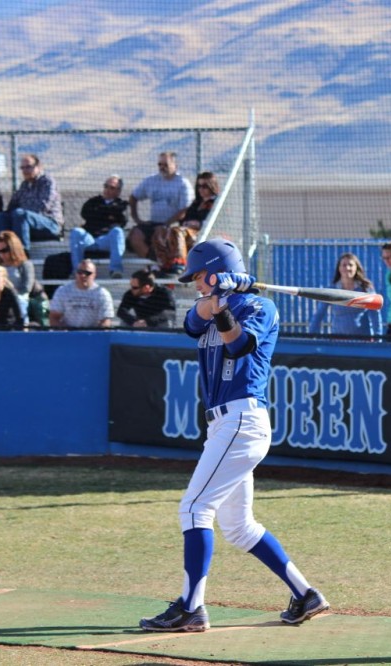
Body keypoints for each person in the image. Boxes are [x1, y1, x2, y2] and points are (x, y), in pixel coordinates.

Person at [139, 239, 329, 632]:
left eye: (199, 276)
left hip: (242, 419)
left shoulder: (261, 306)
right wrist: (218, 297)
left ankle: (191, 608)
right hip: (223, 425)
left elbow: (239, 345)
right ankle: (306, 594)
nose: (195, 283)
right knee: (239, 527)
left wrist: (226, 305)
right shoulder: (209, 304)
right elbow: (192, 323)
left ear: (215, 270)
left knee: (194, 509)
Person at [127, 151, 193, 262]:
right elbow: (133, 197)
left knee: (163, 235)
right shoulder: (151, 181)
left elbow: (184, 210)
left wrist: (166, 225)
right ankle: (154, 261)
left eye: (165, 165)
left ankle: (169, 264)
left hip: (174, 225)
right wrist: (137, 219)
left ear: (175, 165)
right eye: (160, 164)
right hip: (154, 223)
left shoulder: (183, 183)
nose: (162, 167)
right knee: (135, 235)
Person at [154, 171, 218, 277]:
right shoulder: (196, 203)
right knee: (160, 231)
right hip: (187, 232)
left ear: (212, 186)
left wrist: (199, 223)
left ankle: (180, 263)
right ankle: (164, 264)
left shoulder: (216, 202)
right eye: (199, 186)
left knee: (177, 231)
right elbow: (185, 219)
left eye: (205, 186)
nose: (201, 189)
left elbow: (218, 221)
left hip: (204, 233)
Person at [0, 153, 63, 250]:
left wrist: (19, 212)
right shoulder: (24, 185)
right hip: (25, 223)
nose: (25, 171)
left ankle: (22, 252)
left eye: (28, 167)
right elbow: (13, 205)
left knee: (20, 214)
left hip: (49, 224)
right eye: (22, 168)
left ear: (39, 167)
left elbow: (42, 206)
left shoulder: (47, 182)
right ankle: (3, 250)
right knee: (0, 217)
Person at [309, 252, 382, 336]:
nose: (347, 268)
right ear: (339, 268)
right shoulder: (332, 290)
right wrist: (312, 335)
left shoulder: (365, 289)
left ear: (356, 268)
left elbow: (375, 314)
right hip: (338, 339)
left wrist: (378, 336)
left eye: (351, 265)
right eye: (344, 265)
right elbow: (319, 313)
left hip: (362, 339)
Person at [70, 175, 128, 278]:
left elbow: (122, 221)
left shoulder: (121, 205)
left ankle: (115, 270)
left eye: (112, 188)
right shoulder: (93, 201)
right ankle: (78, 271)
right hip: (89, 239)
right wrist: (108, 213)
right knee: (76, 232)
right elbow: (85, 213)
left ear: (118, 191)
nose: (107, 190)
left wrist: (99, 212)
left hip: (106, 240)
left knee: (117, 231)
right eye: (106, 186)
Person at [0, 230, 40, 322]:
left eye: (4, 250)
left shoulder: (25, 265)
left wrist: (10, 290)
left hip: (18, 298)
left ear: (13, 248)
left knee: (20, 304)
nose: (1, 254)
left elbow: (26, 288)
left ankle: (23, 327)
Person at [49, 259, 113, 328]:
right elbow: (54, 317)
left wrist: (95, 333)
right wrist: (64, 331)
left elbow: (106, 321)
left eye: (87, 273)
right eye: (80, 272)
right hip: (68, 332)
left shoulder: (102, 294)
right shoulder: (63, 291)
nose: (83, 275)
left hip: (92, 332)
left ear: (94, 275)